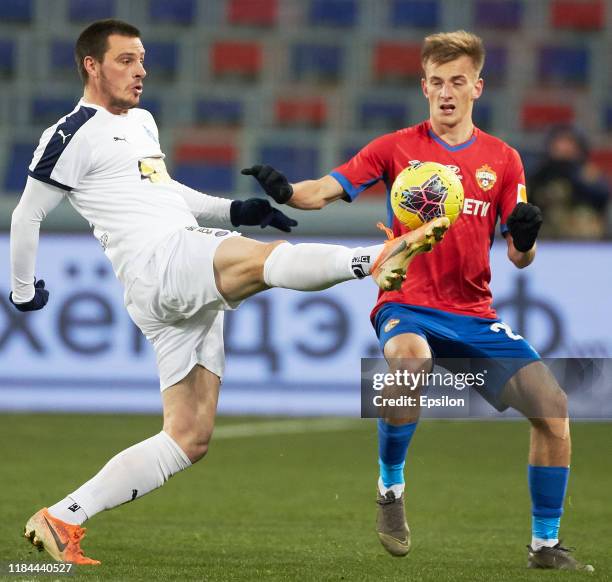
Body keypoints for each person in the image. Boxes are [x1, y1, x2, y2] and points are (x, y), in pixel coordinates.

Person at [9, 19, 450, 565]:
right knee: (261, 262)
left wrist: (235, 209)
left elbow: (165, 193)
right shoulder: (71, 131)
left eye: (143, 59)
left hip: (174, 272)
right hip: (158, 263)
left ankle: (62, 517)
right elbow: (28, 214)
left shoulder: (142, 122)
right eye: (125, 60)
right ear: (90, 65)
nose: (141, 70)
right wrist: (22, 290)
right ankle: (374, 258)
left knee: (188, 436)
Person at [243, 31, 593, 571]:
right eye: (436, 82)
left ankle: (545, 546)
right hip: (404, 299)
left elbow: (521, 258)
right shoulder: (394, 148)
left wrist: (523, 238)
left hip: (473, 313)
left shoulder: (503, 160)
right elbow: (323, 191)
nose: (446, 92)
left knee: (553, 411)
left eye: (457, 82)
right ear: (423, 85)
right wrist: (286, 191)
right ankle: (390, 488)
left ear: (478, 86)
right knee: (410, 360)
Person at [528, 124, 610, 239]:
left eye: (569, 143)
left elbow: (602, 195)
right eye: (559, 143)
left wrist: (573, 173)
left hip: (582, 233)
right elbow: (527, 200)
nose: (563, 148)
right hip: (547, 233)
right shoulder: (541, 173)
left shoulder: (587, 172)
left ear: (579, 148)